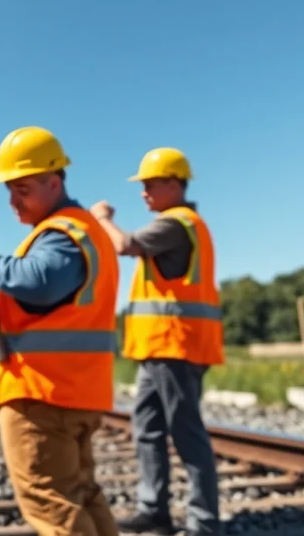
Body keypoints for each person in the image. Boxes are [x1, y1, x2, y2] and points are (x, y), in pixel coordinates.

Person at [0, 126, 121, 536]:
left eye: (23, 189)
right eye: (9, 191)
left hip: (43, 397)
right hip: (72, 392)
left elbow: (37, 281)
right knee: (82, 494)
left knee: (53, 507)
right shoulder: (86, 231)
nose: (13, 201)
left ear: (54, 181)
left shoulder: (64, 234)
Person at [90, 147, 224, 536]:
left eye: (149, 184)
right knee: (146, 426)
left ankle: (204, 523)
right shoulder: (180, 223)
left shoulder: (177, 224)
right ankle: (155, 511)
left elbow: (124, 245)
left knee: (186, 433)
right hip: (157, 349)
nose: (143, 192)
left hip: (176, 347)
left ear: (173, 183)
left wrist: (102, 219)